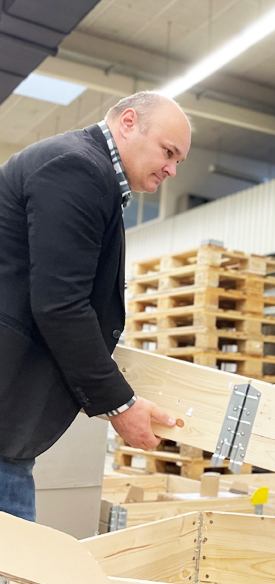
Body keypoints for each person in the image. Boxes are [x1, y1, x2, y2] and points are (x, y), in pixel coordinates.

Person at [0, 91, 192, 520]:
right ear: (128, 123)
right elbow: (61, 304)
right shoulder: (78, 169)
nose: (172, 169)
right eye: (168, 151)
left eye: (179, 160)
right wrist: (121, 405)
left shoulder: (88, 172)